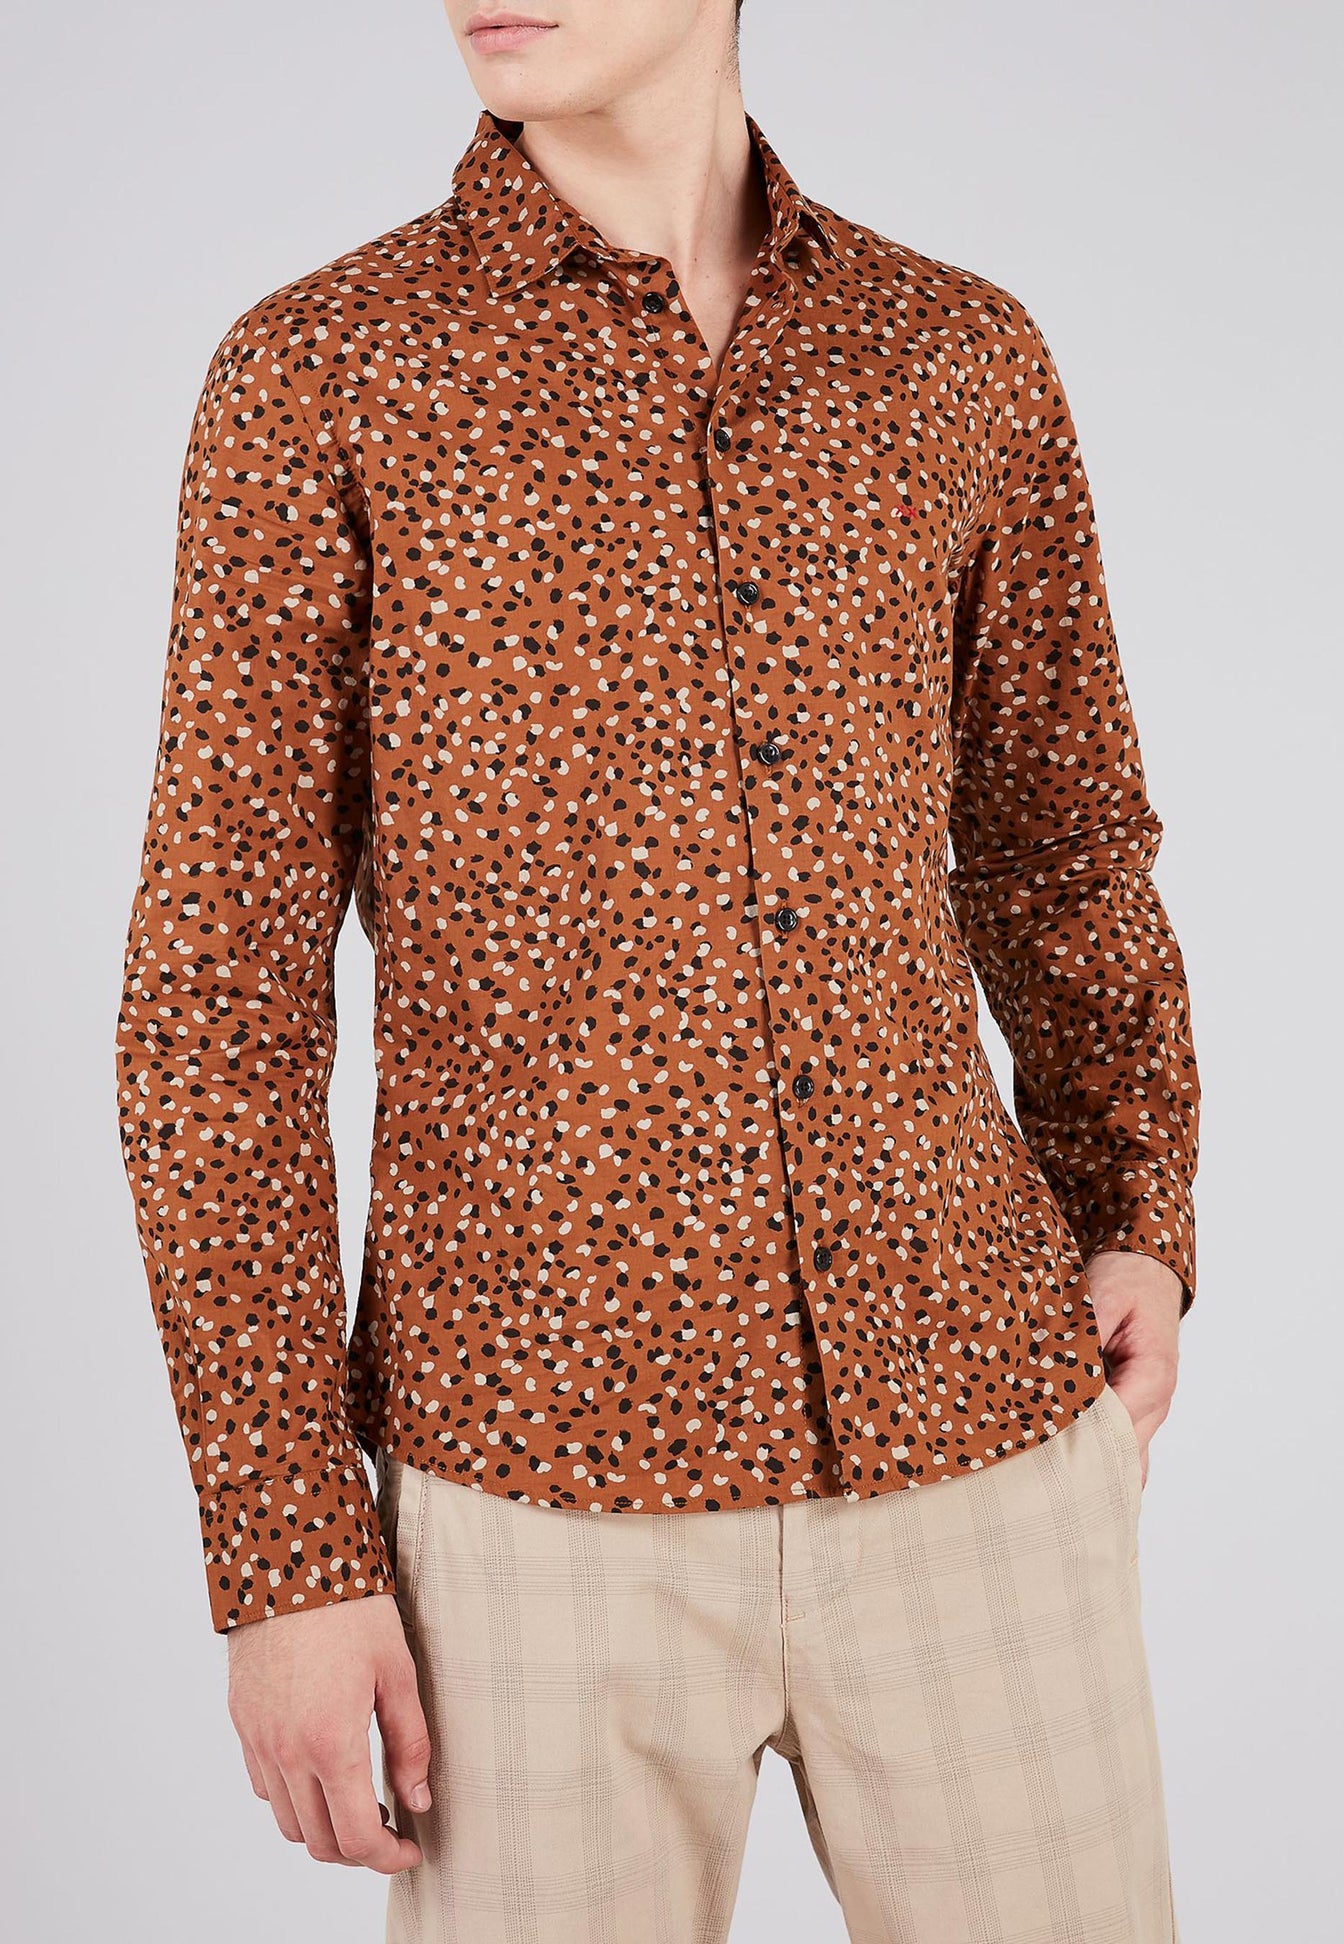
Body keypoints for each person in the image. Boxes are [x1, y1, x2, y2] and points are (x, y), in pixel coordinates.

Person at [114, 2, 1201, 1938]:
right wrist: (288, 1555)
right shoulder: (324, 375)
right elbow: (221, 1009)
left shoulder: (954, 355)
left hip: (975, 1429)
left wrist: (1137, 1208)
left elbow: (1062, 844)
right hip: (525, 1494)